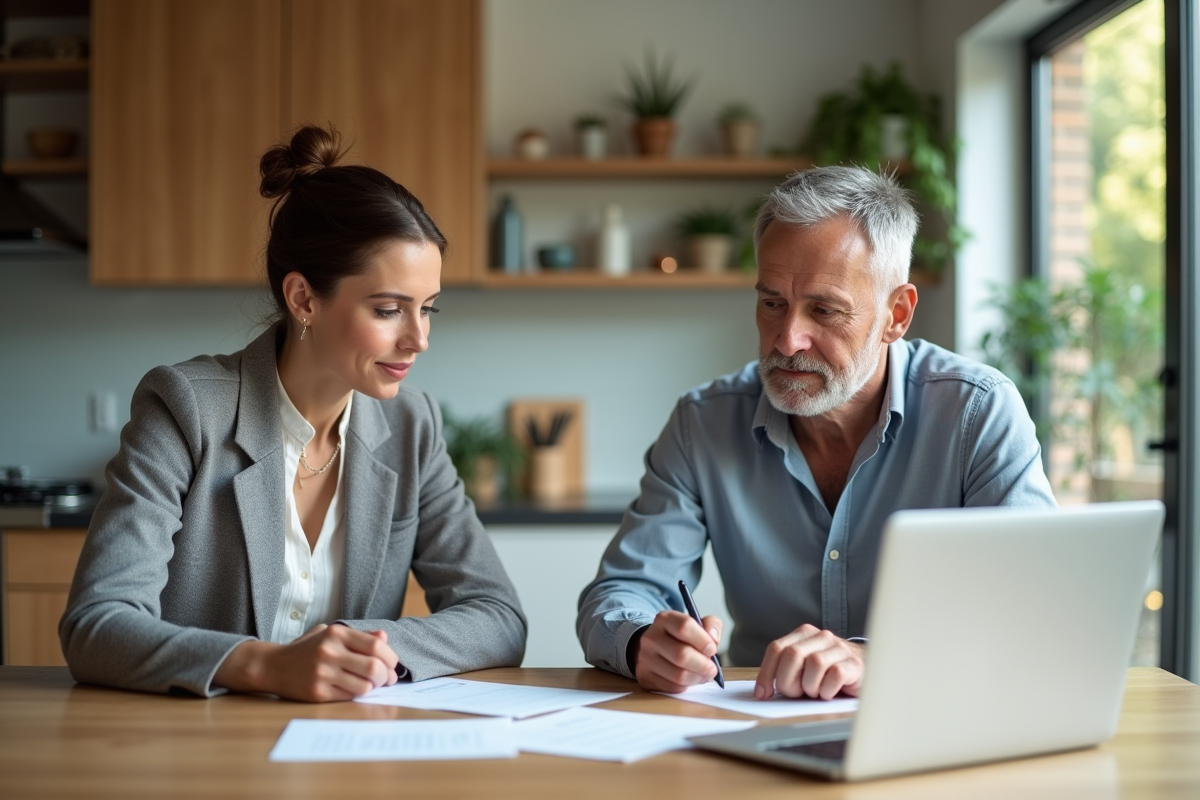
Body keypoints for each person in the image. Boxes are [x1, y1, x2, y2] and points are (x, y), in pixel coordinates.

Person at [60, 126, 526, 701]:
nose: (418, 339)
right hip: (194, 751)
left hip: (344, 754)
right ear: (304, 298)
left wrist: (357, 647)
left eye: (427, 310)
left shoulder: (413, 427)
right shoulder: (185, 408)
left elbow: (498, 616)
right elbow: (96, 624)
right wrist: (263, 665)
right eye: (388, 310)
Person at [577, 166, 1056, 702]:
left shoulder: (978, 412)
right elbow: (619, 592)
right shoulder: (703, 423)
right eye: (771, 303)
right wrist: (644, 640)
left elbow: (1029, 609)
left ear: (896, 314)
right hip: (753, 728)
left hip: (936, 722)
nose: (788, 338)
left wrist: (876, 659)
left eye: (824, 310)